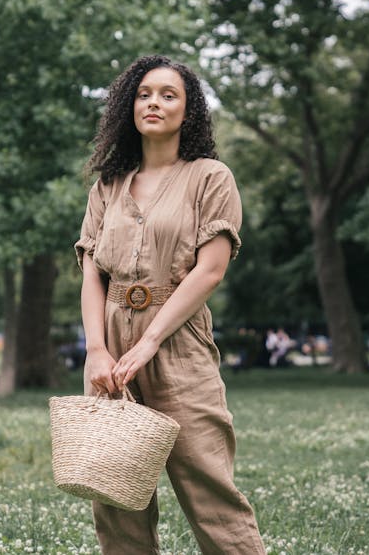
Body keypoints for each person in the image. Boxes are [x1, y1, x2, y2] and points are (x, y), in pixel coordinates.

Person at [75, 55, 265, 554]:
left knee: (210, 488)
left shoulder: (210, 178)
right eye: (143, 94)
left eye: (168, 94)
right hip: (112, 347)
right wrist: (97, 349)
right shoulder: (107, 186)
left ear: (189, 110)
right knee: (115, 496)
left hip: (179, 345)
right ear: (127, 107)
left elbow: (211, 270)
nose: (153, 102)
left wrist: (150, 342)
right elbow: (92, 273)